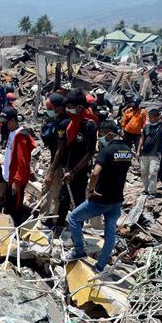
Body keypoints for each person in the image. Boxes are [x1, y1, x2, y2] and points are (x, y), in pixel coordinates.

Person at [64, 121, 133, 272]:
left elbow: (95, 173)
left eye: (101, 135)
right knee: (110, 232)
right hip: (117, 200)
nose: (100, 138)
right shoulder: (127, 150)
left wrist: (90, 190)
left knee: (73, 218)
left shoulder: (106, 151)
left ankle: (79, 251)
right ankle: (100, 266)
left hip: (101, 198)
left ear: (108, 134)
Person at [46, 90, 98, 233]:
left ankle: (76, 234)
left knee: (78, 202)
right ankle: (59, 230)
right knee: (63, 200)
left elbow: (90, 152)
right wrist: (52, 171)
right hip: (66, 169)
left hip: (79, 172)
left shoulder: (89, 125)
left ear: (80, 107)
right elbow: (60, 148)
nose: (68, 109)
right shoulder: (68, 124)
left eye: (70, 106)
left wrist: (74, 171)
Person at [0, 108, 35, 225]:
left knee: (15, 206)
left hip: (16, 179)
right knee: (10, 204)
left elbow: (22, 161)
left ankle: (16, 229)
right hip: (10, 175)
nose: (4, 125)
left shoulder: (20, 136)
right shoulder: (12, 132)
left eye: (6, 122)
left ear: (13, 120)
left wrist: (16, 181)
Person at [39, 93, 66, 221]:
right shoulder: (56, 120)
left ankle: (53, 221)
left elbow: (60, 150)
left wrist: (51, 170)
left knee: (55, 194)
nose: (48, 111)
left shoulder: (63, 123)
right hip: (55, 162)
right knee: (46, 189)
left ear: (59, 108)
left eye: (50, 109)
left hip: (59, 164)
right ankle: (44, 218)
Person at [135, 107, 162, 196]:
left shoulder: (161, 126)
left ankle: (152, 191)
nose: (150, 118)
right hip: (144, 153)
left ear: (157, 117)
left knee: (153, 173)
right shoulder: (147, 126)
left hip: (155, 153)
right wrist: (138, 151)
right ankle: (146, 189)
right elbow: (142, 139)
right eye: (149, 117)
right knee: (143, 172)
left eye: (152, 117)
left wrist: (161, 116)